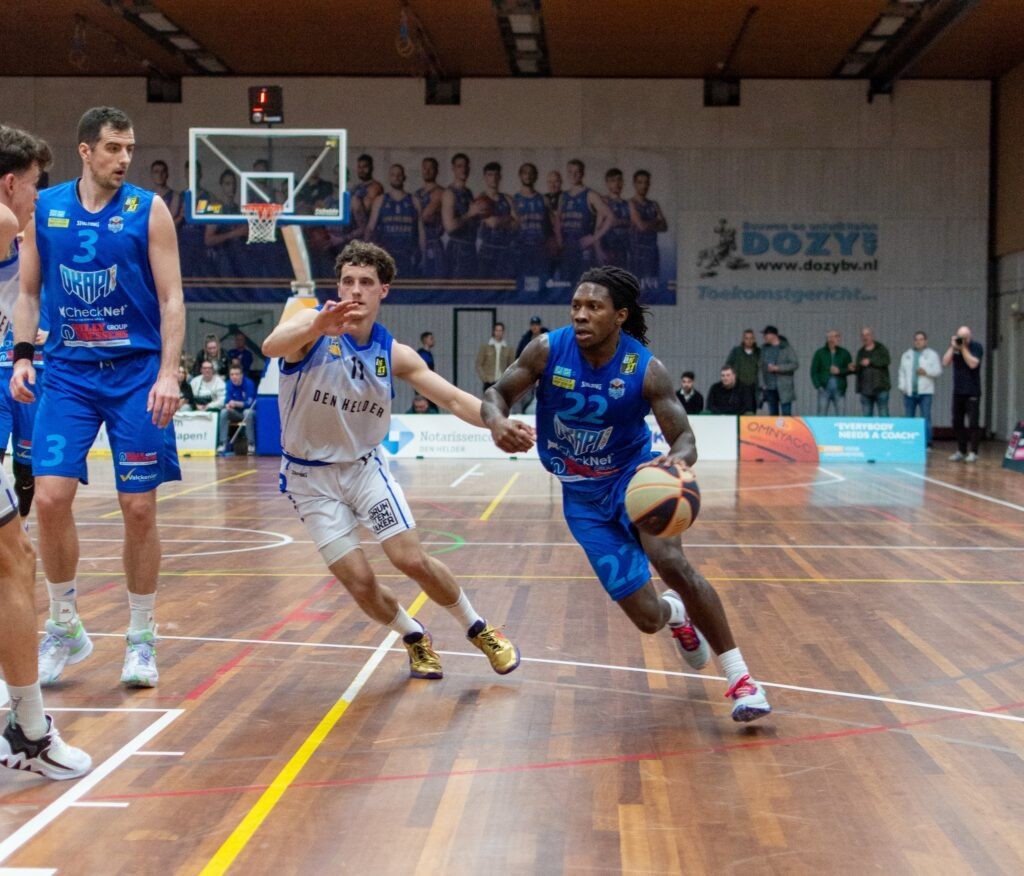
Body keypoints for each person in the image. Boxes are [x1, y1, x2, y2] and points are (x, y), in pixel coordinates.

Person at [482, 266, 770, 722]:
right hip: (583, 500)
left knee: (671, 562)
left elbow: (686, 439)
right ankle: (676, 616)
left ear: (619, 316)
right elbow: (496, 394)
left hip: (634, 481)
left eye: (593, 307)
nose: (580, 315)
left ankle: (742, 681)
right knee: (647, 619)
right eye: (576, 306)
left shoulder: (645, 369)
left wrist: (673, 464)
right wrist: (497, 422)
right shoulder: (546, 350)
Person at [262, 240, 530, 680]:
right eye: (348, 281)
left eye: (366, 282)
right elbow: (272, 347)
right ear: (338, 286)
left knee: (410, 559)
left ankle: (479, 628)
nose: (355, 290)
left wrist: (497, 422)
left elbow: (452, 398)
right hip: (309, 480)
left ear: (382, 290)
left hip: (364, 470)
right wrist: (315, 326)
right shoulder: (311, 328)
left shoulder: (393, 353)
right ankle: (413, 634)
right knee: (359, 582)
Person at [11, 105, 185, 692]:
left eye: (129, 148)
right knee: (49, 500)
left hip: (136, 374)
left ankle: (141, 636)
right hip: (68, 374)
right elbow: (28, 293)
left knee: (139, 508)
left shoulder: (147, 209)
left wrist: (168, 373)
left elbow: (172, 299)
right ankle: (64, 624)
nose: (124, 158)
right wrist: (23, 356)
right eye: (113, 147)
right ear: (85, 151)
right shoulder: (46, 208)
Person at [0, 123, 91, 779]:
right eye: (35, 185)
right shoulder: (6, 219)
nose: (38, 197)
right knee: (13, 562)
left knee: (16, 556)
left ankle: (27, 725)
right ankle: (29, 732)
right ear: (10, 183)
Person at [557, 159, 613, 282]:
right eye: (570, 172)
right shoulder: (563, 196)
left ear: (582, 173)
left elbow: (610, 216)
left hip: (583, 249)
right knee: (566, 286)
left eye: (577, 172)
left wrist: (594, 238)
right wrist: (559, 240)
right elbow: (558, 220)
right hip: (567, 249)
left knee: (583, 286)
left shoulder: (590, 195)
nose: (573, 175)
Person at [365, 163, 419, 279]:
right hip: (386, 255)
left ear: (404, 177)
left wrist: (422, 255)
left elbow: (421, 230)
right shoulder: (380, 200)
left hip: (408, 255)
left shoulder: (414, 200)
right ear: (389, 177)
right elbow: (370, 229)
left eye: (399, 175)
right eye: (393, 175)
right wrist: (368, 255)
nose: (396, 177)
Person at [942, 325, 983, 462]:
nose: (962, 339)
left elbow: (973, 364)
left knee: (973, 423)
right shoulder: (955, 348)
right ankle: (961, 449)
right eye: (960, 337)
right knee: (957, 422)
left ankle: (974, 451)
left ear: (969, 336)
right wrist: (952, 347)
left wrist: (963, 348)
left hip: (972, 391)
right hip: (958, 391)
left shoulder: (976, 347)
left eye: (964, 337)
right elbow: (945, 362)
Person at [441, 153, 484, 279]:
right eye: (459, 166)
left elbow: (471, 220)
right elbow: (449, 226)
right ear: (453, 169)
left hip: (470, 247)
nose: (463, 169)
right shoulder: (449, 193)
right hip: (457, 249)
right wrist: (470, 214)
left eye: (465, 166)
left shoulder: (468, 192)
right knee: (459, 287)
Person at [898, 331, 942, 446]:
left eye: (921, 339)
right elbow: (901, 372)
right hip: (909, 392)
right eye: (916, 339)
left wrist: (926, 372)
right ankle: (909, 442)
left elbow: (938, 371)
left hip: (925, 392)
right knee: (909, 418)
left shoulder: (932, 354)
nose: (918, 342)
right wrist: (902, 386)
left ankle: (927, 442)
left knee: (925, 417)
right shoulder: (907, 355)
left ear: (925, 341)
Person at [476, 162, 518, 280]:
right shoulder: (479, 199)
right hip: (487, 251)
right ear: (485, 177)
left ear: (500, 176)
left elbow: (517, 224)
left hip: (505, 251)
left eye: (496, 174)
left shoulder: (508, 199)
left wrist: (505, 221)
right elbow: (492, 223)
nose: (493, 178)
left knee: (505, 287)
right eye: (490, 175)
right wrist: (509, 218)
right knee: (485, 286)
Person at [628, 169, 668, 290]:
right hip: (637, 252)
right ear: (634, 184)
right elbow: (641, 227)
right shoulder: (631, 203)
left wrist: (648, 224)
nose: (644, 186)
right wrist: (655, 221)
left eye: (646, 182)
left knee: (652, 285)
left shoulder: (653, 204)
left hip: (652, 251)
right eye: (640, 182)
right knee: (637, 287)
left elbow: (664, 226)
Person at [512, 162, 548, 283]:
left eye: (531, 173)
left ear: (536, 176)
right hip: (521, 248)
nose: (528, 176)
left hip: (539, 248)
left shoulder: (543, 199)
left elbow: (552, 224)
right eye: (525, 173)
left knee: (538, 284)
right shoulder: (514, 200)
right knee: (522, 284)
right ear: (520, 175)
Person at [810, 329, 852, 416]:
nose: (835, 339)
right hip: (824, 389)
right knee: (821, 416)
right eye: (832, 336)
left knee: (841, 417)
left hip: (839, 389)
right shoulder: (820, 353)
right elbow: (814, 371)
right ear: (828, 338)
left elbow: (851, 369)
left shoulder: (844, 353)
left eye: (837, 336)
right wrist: (818, 386)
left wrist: (839, 371)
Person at [415, 157, 445, 279]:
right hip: (417, 243)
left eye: (430, 168)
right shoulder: (417, 193)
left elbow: (425, 217)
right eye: (425, 168)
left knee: (435, 279)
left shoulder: (441, 192)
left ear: (436, 170)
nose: (427, 171)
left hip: (433, 242)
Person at [759, 326, 798, 416]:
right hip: (769, 387)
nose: (764, 337)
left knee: (786, 414)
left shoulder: (786, 348)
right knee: (773, 415)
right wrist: (762, 384)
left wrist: (778, 368)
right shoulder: (764, 349)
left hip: (784, 386)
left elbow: (795, 364)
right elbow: (760, 367)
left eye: (765, 334)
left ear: (773, 335)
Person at [218, 364, 256, 455]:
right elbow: (227, 400)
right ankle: (222, 443)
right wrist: (228, 405)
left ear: (241, 375)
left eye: (236, 374)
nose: (234, 377)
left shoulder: (249, 384)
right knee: (224, 412)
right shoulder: (228, 384)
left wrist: (235, 403)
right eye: (232, 374)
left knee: (247, 412)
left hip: (250, 412)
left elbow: (250, 403)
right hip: (236, 413)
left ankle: (251, 444)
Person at [853, 327, 891, 416]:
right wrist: (854, 367)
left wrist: (871, 361)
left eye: (867, 335)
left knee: (884, 415)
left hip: (880, 388)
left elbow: (887, 360)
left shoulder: (881, 348)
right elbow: (858, 369)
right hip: (865, 390)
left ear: (872, 336)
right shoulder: (861, 352)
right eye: (863, 335)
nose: (865, 337)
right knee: (867, 418)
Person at [724, 329, 760, 414]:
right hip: (739, 384)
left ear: (754, 339)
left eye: (751, 338)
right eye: (746, 338)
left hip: (753, 385)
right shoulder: (736, 351)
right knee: (737, 408)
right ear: (743, 339)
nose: (749, 340)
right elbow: (728, 365)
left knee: (751, 410)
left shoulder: (758, 352)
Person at [601, 167, 632, 269]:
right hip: (608, 249)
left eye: (619, 179)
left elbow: (634, 225)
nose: (617, 183)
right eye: (613, 180)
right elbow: (599, 226)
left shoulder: (627, 204)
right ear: (607, 183)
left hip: (624, 250)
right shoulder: (603, 201)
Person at [474, 322, 514, 393]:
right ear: (493, 331)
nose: (498, 333)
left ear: (503, 332)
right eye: (497, 330)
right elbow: (478, 364)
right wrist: (484, 378)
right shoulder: (485, 347)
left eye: (500, 331)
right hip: (489, 381)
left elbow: (512, 365)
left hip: (501, 382)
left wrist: (507, 378)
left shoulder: (508, 349)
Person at [149, 159, 181, 224]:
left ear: (167, 174)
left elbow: (170, 219)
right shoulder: (145, 196)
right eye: (156, 172)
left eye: (163, 171)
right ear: (151, 175)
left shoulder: (176, 196)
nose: (160, 175)